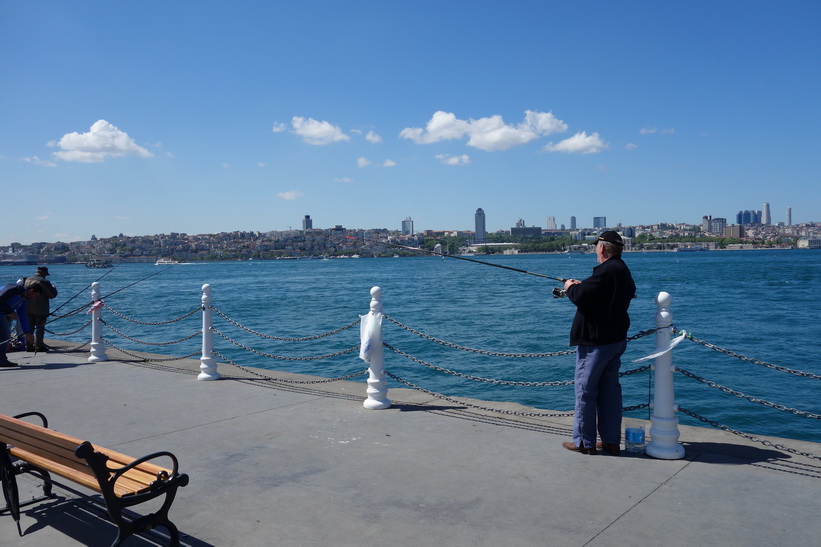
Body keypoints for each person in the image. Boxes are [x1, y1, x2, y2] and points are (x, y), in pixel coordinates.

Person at [560, 231, 636, 456]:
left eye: (597, 247)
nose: (596, 250)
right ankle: (611, 441)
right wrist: (581, 287)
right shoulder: (621, 270)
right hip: (615, 339)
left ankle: (584, 441)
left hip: (596, 342)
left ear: (602, 248)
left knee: (585, 390)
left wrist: (570, 286)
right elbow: (611, 294)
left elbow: (582, 296)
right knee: (610, 391)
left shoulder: (606, 270)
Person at [0, 283, 41, 367]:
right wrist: (10, 312)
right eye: (35, 295)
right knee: (5, 334)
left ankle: (1, 359)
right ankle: (1, 360)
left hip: (4, 314)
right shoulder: (16, 289)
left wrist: (27, 333)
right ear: (31, 291)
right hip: (2, 313)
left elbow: (22, 317)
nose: (34, 298)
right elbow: (0, 298)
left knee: (3, 336)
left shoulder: (24, 300)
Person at [24, 266, 58, 352]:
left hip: (28, 308)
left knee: (29, 328)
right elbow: (52, 295)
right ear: (43, 273)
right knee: (40, 328)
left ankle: (29, 346)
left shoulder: (27, 279)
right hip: (40, 309)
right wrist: (54, 289)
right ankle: (39, 346)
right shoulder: (44, 281)